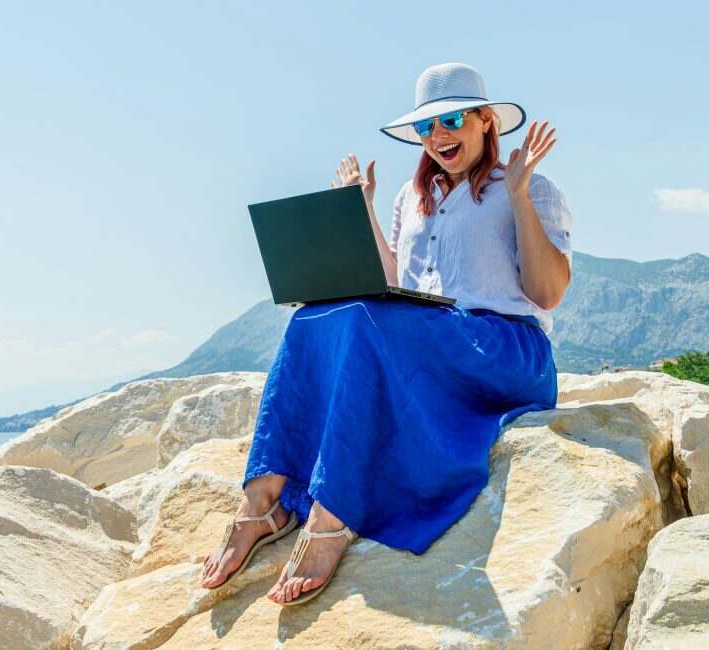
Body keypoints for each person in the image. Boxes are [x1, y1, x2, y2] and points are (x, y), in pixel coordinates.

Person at [198, 62, 573, 606]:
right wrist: (362, 209)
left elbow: (547, 293)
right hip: (434, 334)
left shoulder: (530, 186)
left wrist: (516, 197)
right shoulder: (410, 197)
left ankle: (334, 512)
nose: (438, 136)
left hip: (504, 348)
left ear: (487, 121)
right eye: (427, 128)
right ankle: (263, 502)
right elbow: (395, 283)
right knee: (313, 316)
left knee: (367, 317)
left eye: (451, 120)